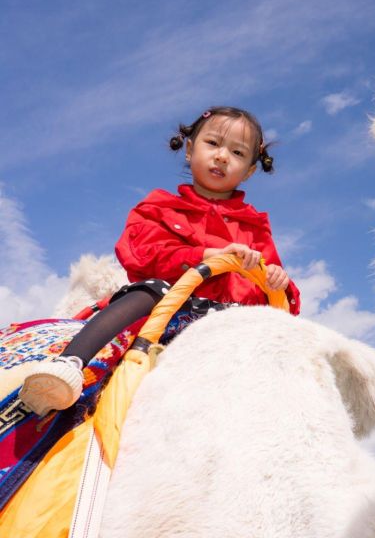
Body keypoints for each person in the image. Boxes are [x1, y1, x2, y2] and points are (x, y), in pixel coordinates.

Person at [19, 106, 301, 416]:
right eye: (213, 144)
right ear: (190, 149)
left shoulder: (255, 227)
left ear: (248, 170)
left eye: (237, 152)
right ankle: (70, 363)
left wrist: (278, 280)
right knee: (151, 289)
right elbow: (140, 254)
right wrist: (203, 257)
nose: (222, 156)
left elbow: (280, 289)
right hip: (170, 310)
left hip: (233, 320)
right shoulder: (159, 208)